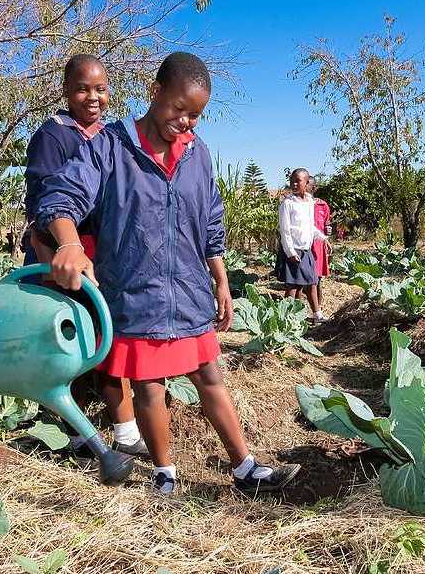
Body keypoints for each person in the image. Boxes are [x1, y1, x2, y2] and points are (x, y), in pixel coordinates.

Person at [33, 51, 301, 495]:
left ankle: (245, 468)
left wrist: (220, 281)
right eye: (179, 110)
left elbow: (210, 221)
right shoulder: (111, 147)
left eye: (195, 116)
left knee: (210, 376)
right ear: (154, 93)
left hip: (190, 290)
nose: (186, 123)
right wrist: (70, 243)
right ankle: (165, 476)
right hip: (136, 293)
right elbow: (61, 198)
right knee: (149, 387)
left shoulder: (198, 153)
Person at [24, 54, 148, 458]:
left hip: (104, 252)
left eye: (100, 89)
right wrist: (55, 255)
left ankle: (125, 432)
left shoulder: (112, 138)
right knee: (71, 342)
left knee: (106, 338)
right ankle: (77, 434)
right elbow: (45, 202)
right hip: (65, 251)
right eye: (82, 88)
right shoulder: (54, 135)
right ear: (65, 91)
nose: (92, 97)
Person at [276, 168, 331, 323]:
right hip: (294, 250)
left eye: (298, 181)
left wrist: (323, 238)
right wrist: (290, 252)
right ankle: (285, 319)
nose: (293, 184)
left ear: (307, 183)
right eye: (292, 180)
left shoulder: (308, 202)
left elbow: (310, 226)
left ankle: (317, 315)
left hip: (306, 250)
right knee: (293, 286)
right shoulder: (287, 204)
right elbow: (285, 230)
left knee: (312, 282)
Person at [307, 176, 331, 307]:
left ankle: (318, 310)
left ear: (314, 188)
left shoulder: (323, 205)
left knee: (317, 279)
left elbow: (327, 225)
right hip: (304, 246)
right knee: (301, 282)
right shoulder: (299, 204)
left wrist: (327, 235)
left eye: (309, 185)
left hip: (318, 247)